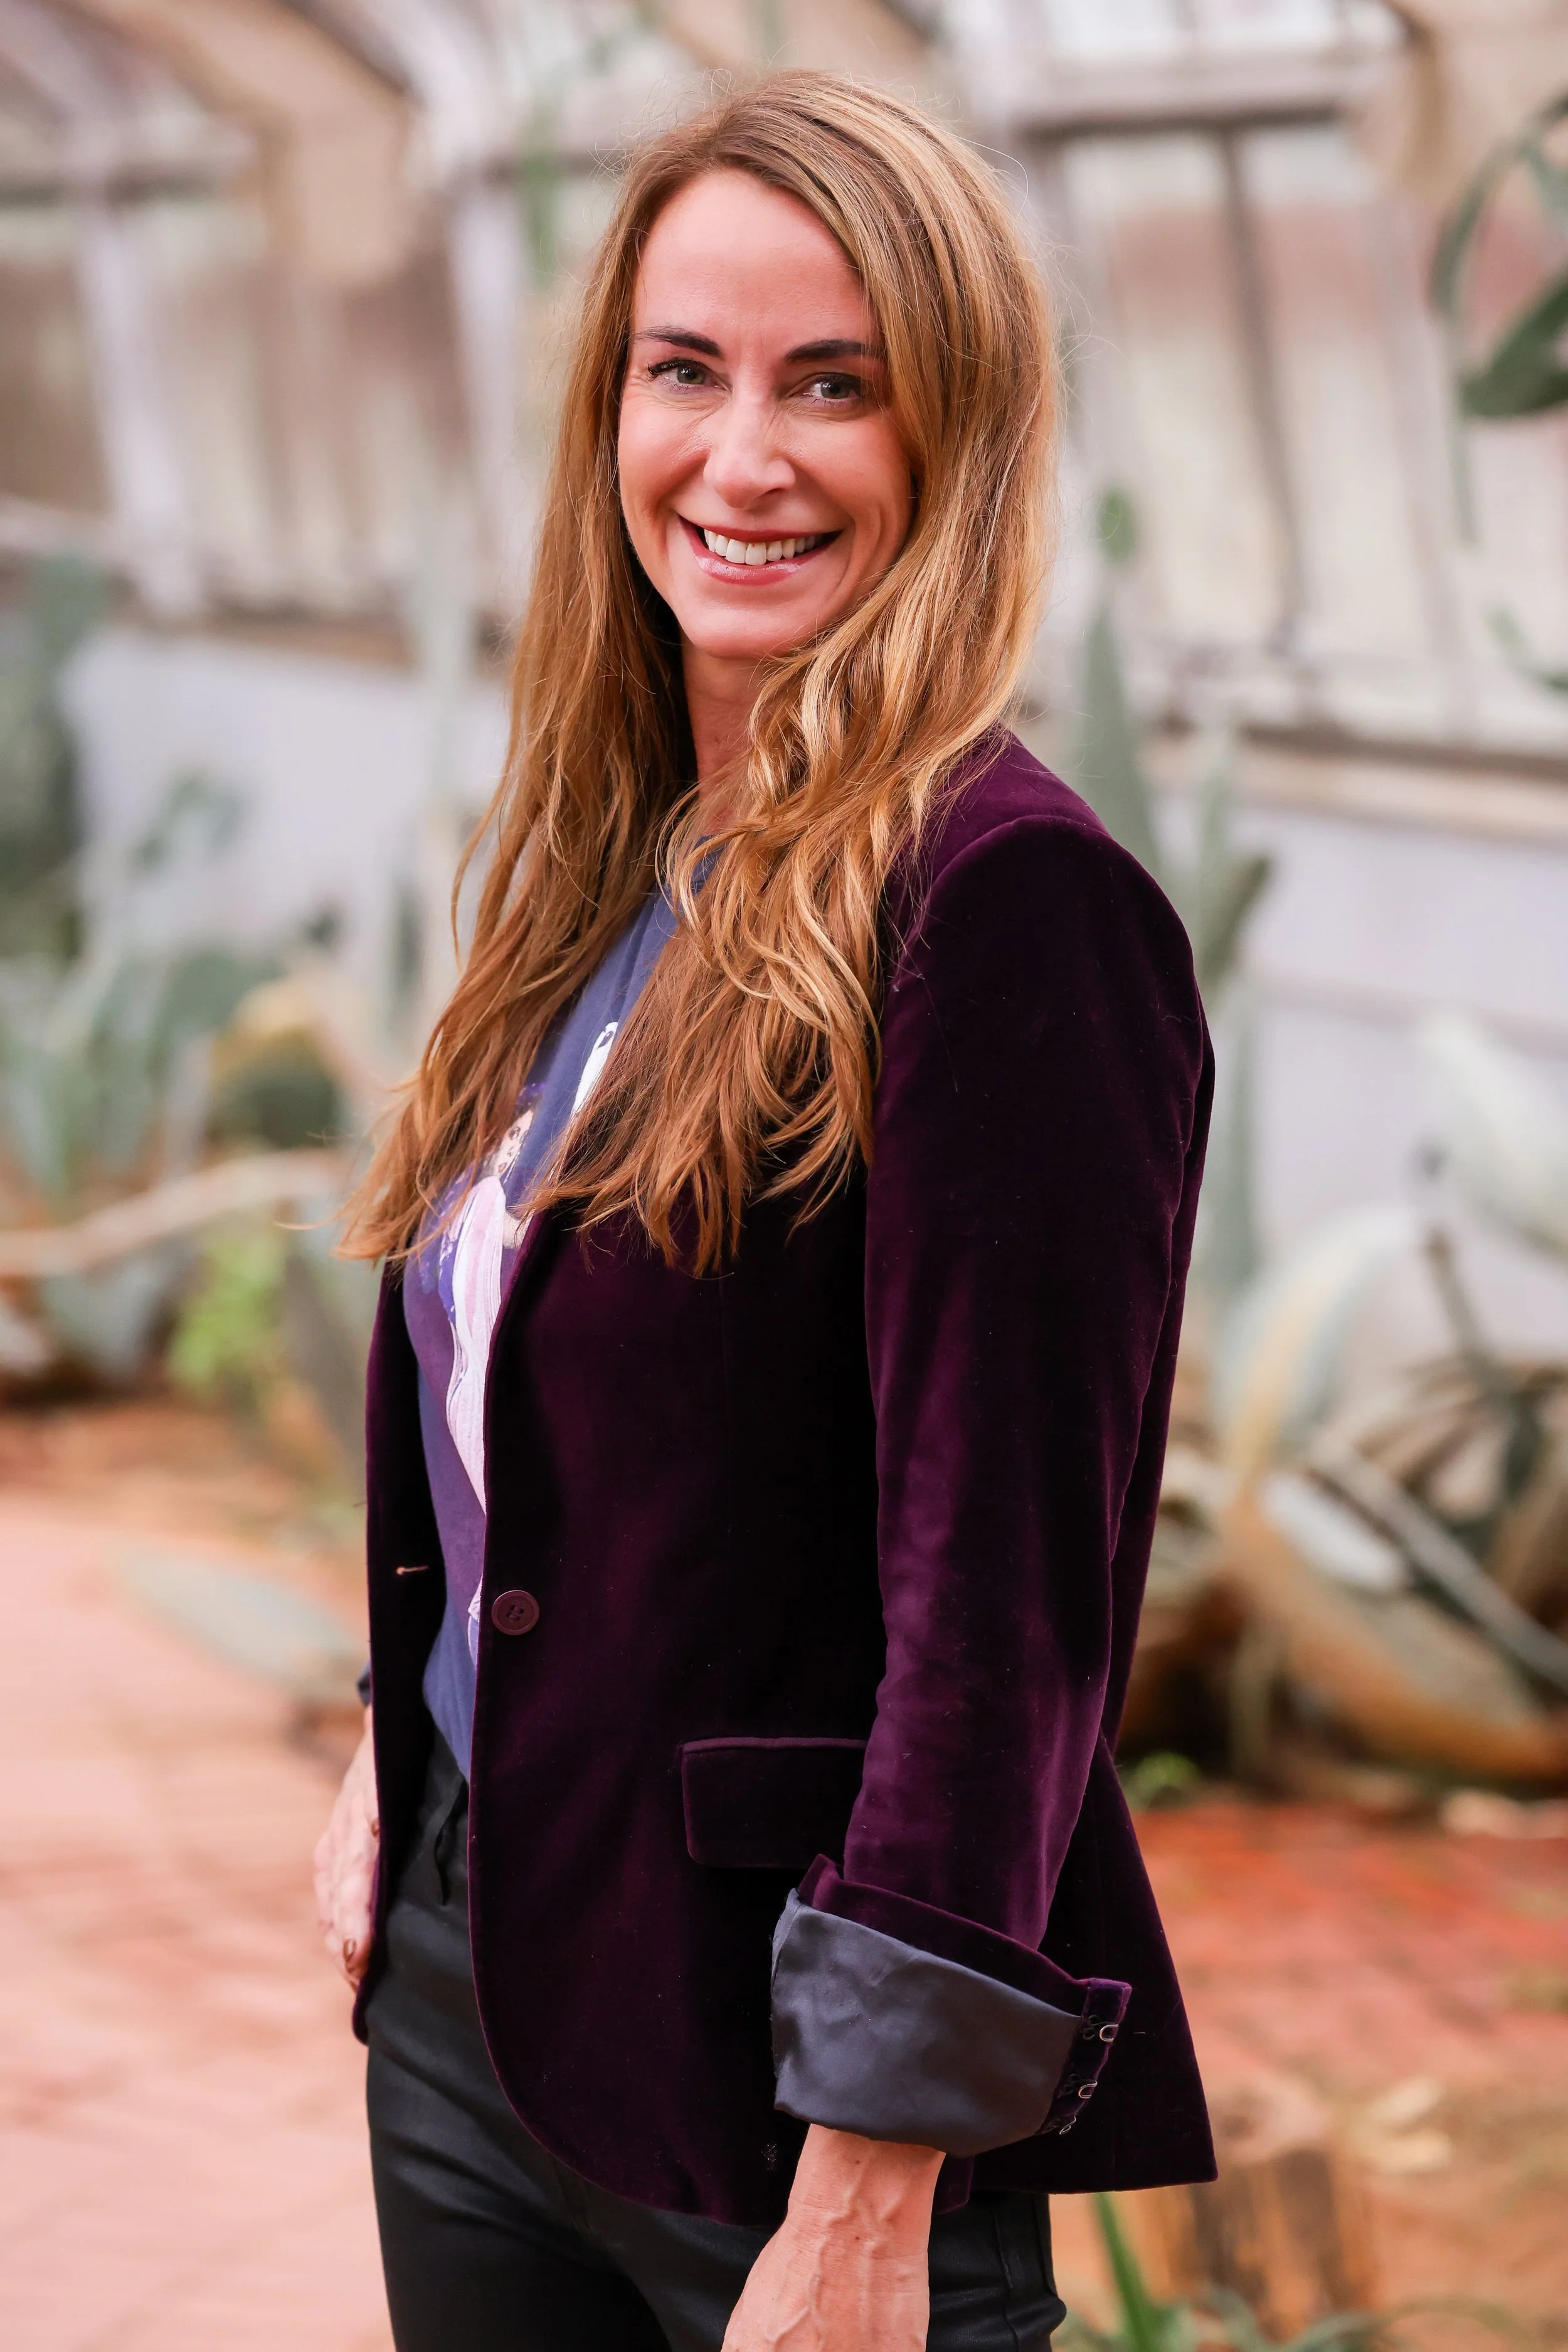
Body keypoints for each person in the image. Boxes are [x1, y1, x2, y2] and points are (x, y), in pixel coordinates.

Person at [315, 70, 1215, 2352]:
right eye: (682, 371)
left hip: (784, 2093)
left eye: (837, 385)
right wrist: (396, 1745)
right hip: (478, 1992)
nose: (742, 459)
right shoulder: (622, 865)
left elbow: (1006, 1611)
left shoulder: (1006, 911)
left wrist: (867, 2181)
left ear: (957, 436)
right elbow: (534, 1423)